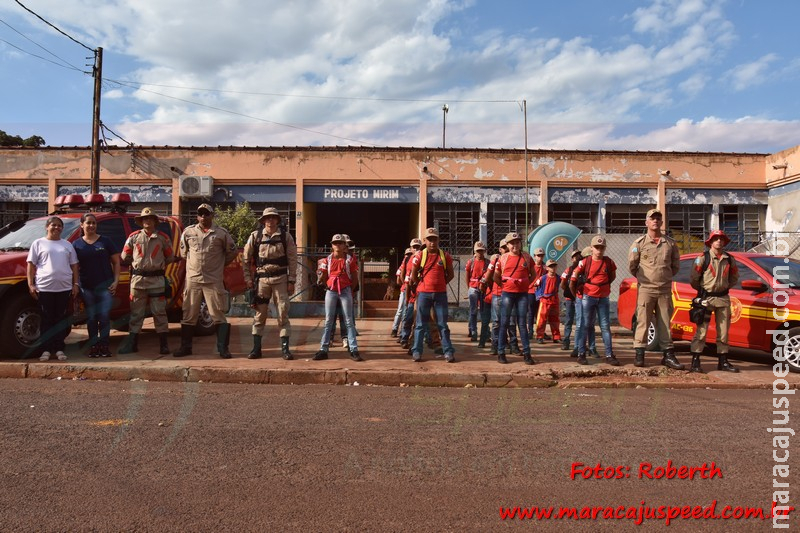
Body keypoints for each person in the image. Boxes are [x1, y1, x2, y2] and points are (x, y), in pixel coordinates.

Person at [173, 203, 238, 358]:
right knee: (189, 313)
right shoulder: (188, 232)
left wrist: (219, 265)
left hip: (213, 280)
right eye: (200, 214)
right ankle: (186, 347)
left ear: (212, 216)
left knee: (217, 314)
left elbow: (232, 252)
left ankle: (223, 348)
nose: (203, 217)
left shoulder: (221, 233)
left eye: (206, 214)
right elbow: (184, 253)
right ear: (197, 216)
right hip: (193, 279)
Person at [628, 208, 683, 369]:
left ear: (661, 222)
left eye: (658, 218)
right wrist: (646, 279)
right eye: (652, 218)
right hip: (646, 289)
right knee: (643, 322)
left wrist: (662, 277)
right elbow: (632, 265)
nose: (655, 221)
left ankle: (668, 355)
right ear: (647, 222)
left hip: (664, 289)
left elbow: (675, 266)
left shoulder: (670, 244)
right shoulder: (639, 244)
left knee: (665, 323)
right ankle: (639, 354)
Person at [242, 207, 297, 360]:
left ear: (277, 220)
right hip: (262, 280)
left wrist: (291, 280)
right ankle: (256, 349)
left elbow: (293, 260)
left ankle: (285, 349)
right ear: (264, 220)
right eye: (268, 218)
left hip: (281, 279)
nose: (270, 220)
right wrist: (247, 278)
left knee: (283, 313)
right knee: (260, 315)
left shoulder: (286, 237)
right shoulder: (256, 236)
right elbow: (245, 260)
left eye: (273, 217)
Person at [119, 208, 175, 355]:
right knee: (136, 313)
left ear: (155, 221)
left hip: (157, 280)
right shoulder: (133, 237)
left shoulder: (163, 238)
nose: (147, 221)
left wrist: (155, 265)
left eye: (150, 218)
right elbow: (125, 257)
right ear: (141, 221)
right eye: (144, 219)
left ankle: (163, 345)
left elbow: (170, 257)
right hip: (138, 281)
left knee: (159, 312)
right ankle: (132, 344)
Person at [26, 216, 79, 362]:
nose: (57, 228)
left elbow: (74, 265)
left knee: (60, 319)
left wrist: (75, 284)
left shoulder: (67, 244)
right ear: (47, 227)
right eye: (53, 225)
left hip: (64, 288)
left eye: (59, 226)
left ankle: (60, 349)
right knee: (46, 319)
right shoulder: (38, 244)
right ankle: (46, 350)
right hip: (44, 288)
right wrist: (31, 284)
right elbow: (31, 265)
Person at [689, 230, 740, 373]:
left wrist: (723, 288)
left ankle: (723, 361)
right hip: (706, 298)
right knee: (702, 331)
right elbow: (694, 278)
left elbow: (734, 277)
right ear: (710, 242)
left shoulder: (729, 259)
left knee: (723, 332)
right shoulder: (703, 258)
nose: (719, 241)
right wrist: (702, 292)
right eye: (716, 239)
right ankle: (695, 361)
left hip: (723, 298)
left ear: (724, 242)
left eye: (721, 239)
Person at [74, 213, 120, 357]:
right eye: (88, 223)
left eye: (94, 223)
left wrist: (116, 281)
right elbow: (73, 266)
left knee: (104, 317)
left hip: (105, 287)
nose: (91, 225)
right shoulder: (76, 244)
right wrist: (75, 284)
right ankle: (93, 346)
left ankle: (104, 346)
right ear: (82, 225)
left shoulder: (105, 241)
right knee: (92, 318)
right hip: (87, 287)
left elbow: (116, 262)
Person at [570, 235, 619, 366]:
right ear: (591, 248)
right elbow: (573, 278)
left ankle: (609, 354)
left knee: (605, 326)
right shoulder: (585, 262)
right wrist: (576, 294)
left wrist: (602, 286)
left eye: (601, 247)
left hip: (603, 297)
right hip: (588, 296)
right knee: (585, 325)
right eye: (597, 247)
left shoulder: (608, 262)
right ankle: (581, 354)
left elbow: (612, 276)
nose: (599, 250)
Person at [409, 227, 455, 363]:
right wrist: (422, 285)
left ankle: (448, 352)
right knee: (420, 324)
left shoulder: (445, 256)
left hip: (440, 295)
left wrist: (440, 284)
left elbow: (451, 274)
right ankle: (417, 351)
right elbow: (413, 274)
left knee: (442, 324)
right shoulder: (419, 256)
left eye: (434, 239)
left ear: (438, 240)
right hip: (424, 294)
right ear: (425, 241)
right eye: (429, 240)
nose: (432, 242)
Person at [314, 234, 362, 361]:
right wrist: (328, 286)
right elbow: (323, 277)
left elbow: (355, 277)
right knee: (329, 321)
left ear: (344, 245)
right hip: (332, 291)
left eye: (340, 243)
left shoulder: (349, 260)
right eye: (335, 243)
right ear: (332, 245)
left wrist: (349, 290)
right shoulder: (327, 260)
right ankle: (323, 349)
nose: (338, 245)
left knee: (349, 321)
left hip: (345, 290)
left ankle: (353, 349)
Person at [493, 232, 535, 365]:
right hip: (507, 294)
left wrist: (526, 284)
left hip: (522, 294)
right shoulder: (503, 258)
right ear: (507, 245)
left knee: (522, 324)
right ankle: (501, 352)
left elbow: (533, 274)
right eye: (512, 243)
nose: (515, 245)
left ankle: (527, 354)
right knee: (504, 323)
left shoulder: (527, 258)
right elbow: (496, 275)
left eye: (517, 242)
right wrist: (504, 286)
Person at [398, 238, 424, 350]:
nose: (417, 249)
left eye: (418, 247)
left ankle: (414, 343)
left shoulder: (424, 259)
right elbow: (407, 280)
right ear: (411, 248)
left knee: (420, 322)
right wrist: (407, 298)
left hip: (423, 295)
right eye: (414, 247)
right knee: (408, 317)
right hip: (412, 295)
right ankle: (404, 338)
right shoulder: (409, 261)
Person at [534, 259, 562, 344]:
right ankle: (539, 336)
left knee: (555, 319)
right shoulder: (542, 278)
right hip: (545, 300)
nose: (552, 268)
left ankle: (556, 337)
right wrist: (539, 296)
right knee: (542, 319)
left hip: (554, 300)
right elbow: (535, 286)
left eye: (554, 266)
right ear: (546, 268)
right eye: (550, 266)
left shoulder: (558, 278)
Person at [560, 249, 582, 351]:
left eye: (579, 256)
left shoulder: (583, 269)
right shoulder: (568, 270)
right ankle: (566, 341)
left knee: (580, 321)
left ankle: (579, 343)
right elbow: (562, 284)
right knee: (569, 320)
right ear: (572, 258)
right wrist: (569, 291)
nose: (577, 258)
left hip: (579, 298)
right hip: (570, 299)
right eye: (575, 256)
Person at [465, 241, 488, 342]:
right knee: (473, 311)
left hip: (483, 288)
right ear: (475, 251)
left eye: (482, 251)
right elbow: (467, 276)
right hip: (473, 288)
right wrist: (469, 287)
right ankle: (473, 330)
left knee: (484, 311)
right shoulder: (471, 262)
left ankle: (485, 332)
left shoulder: (487, 263)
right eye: (478, 251)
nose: (480, 253)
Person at [391, 247, 414, 337]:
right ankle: (396, 330)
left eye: (409, 254)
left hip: (410, 289)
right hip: (405, 289)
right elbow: (398, 280)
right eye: (407, 254)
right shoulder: (403, 265)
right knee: (402, 310)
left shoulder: (414, 261)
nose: (408, 256)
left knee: (406, 312)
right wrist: (405, 284)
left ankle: (401, 332)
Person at [527, 247, 547, 339]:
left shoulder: (545, 267)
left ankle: (541, 331)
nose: (540, 258)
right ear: (534, 256)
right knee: (531, 311)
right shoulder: (531, 266)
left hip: (541, 292)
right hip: (531, 291)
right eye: (538, 256)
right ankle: (530, 331)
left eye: (542, 256)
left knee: (540, 313)